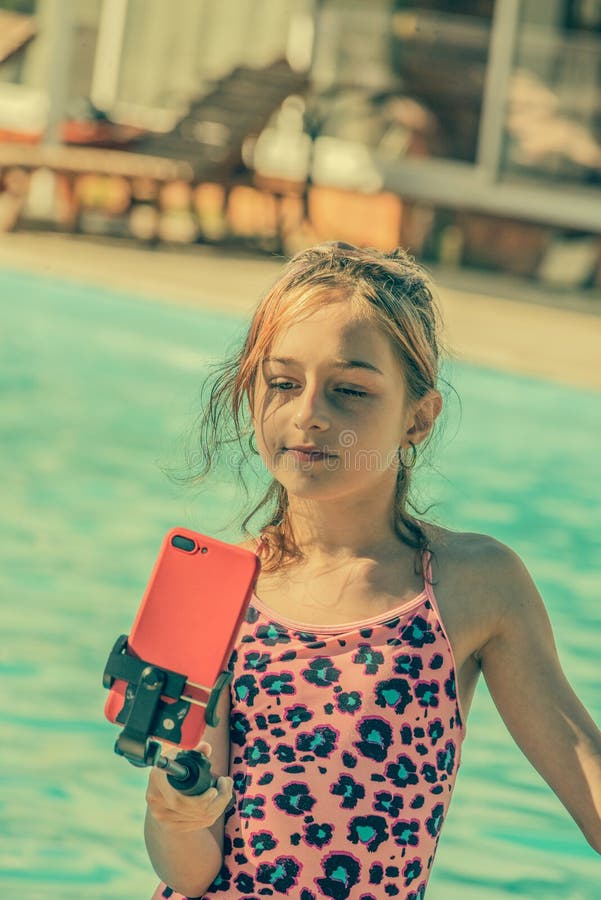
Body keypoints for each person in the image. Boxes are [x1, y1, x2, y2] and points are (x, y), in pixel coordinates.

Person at [144, 243, 601, 899]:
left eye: (349, 390)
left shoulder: (472, 584)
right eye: (282, 382)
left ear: (418, 416)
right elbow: (188, 868)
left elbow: (586, 777)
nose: (308, 414)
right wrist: (174, 813)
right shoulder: (214, 586)